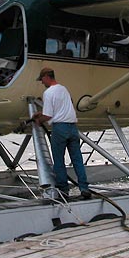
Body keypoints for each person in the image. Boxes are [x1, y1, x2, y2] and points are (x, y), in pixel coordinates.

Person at [32, 67, 92, 200]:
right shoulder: (64, 89)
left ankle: (64, 190)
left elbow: (48, 116)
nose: (42, 82)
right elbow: (61, 108)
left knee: (59, 161)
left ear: (47, 77)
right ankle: (84, 188)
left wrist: (38, 120)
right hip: (72, 128)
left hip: (60, 129)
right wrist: (40, 113)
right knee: (77, 160)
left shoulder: (48, 93)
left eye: (42, 79)